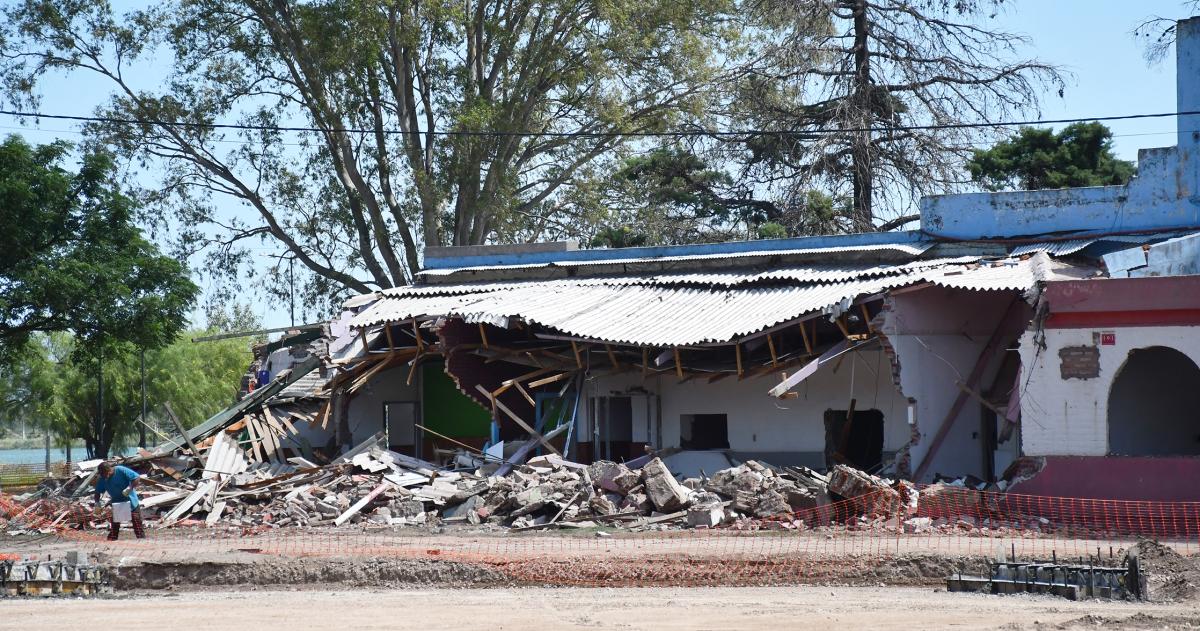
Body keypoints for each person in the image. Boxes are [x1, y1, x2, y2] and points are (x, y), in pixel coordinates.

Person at [93, 461, 145, 540]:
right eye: (102, 475)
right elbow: (97, 492)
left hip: (131, 501)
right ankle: (112, 542)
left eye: (105, 474)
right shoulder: (102, 479)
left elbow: (136, 477)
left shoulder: (120, 470)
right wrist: (97, 504)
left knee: (137, 524)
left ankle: (142, 541)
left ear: (109, 470)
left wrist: (129, 488)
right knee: (115, 526)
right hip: (117, 503)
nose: (104, 476)